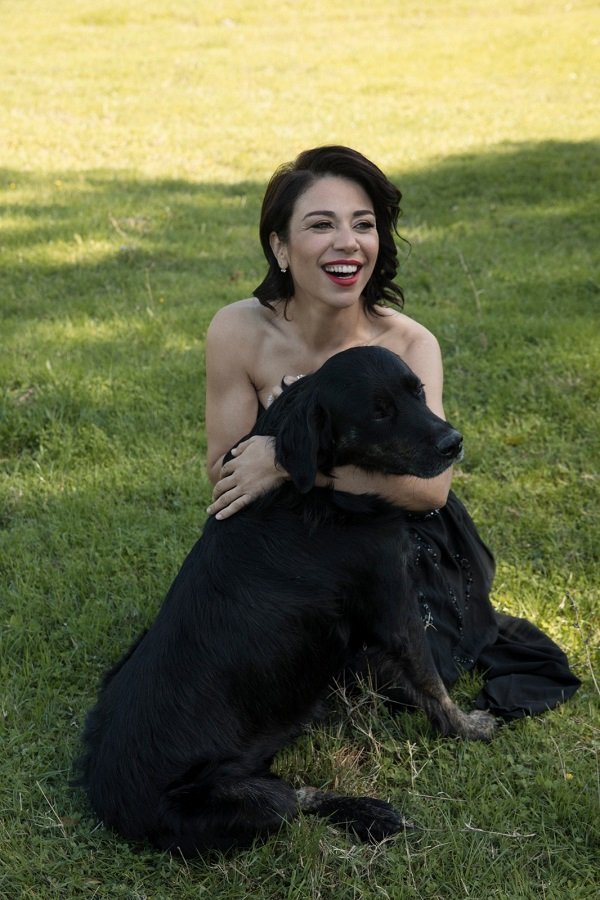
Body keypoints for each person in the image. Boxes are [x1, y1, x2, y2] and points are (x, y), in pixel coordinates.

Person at [204, 145, 580, 720]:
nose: (348, 242)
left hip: (398, 528)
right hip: (299, 529)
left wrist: (286, 461)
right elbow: (226, 475)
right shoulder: (238, 331)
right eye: (321, 225)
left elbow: (430, 489)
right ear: (279, 246)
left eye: (363, 225)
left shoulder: (408, 343)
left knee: (381, 679)